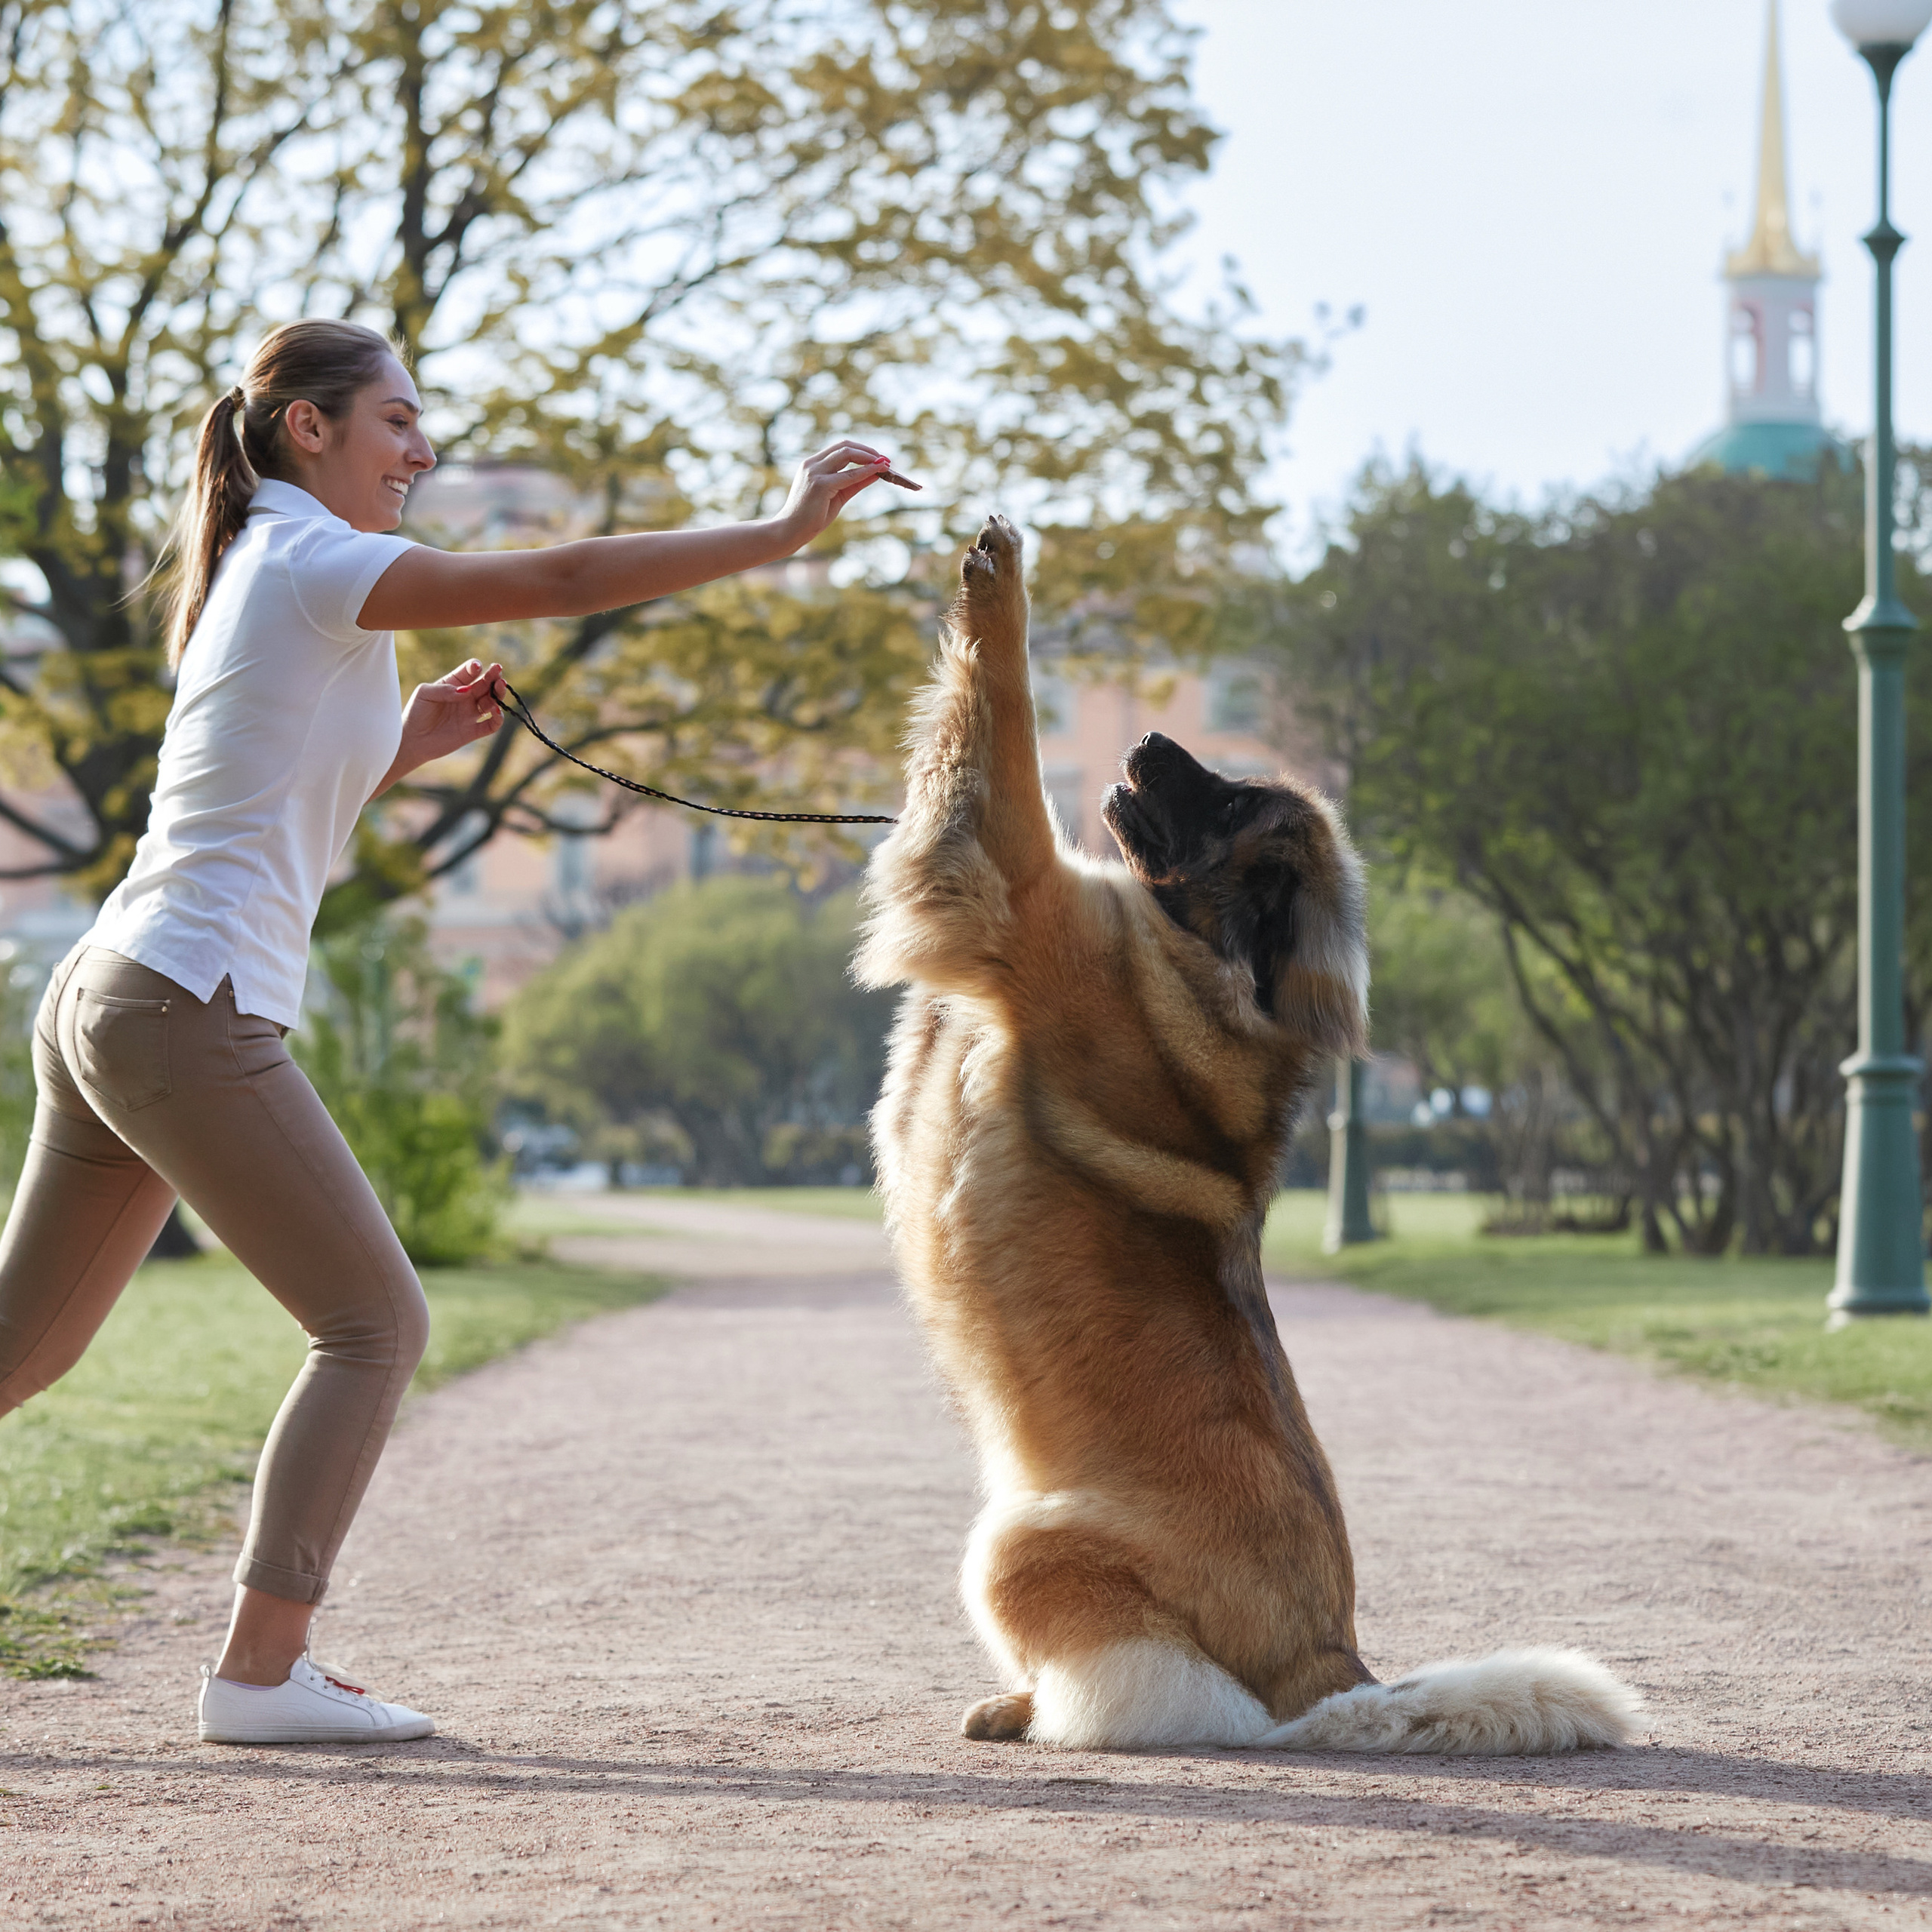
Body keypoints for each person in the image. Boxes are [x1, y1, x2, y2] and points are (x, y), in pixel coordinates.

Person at [0, 318, 906, 1745]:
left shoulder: (275, 571)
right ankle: (260, 1676)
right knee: (373, 1323)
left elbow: (265, 787)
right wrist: (775, 531)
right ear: (310, 428)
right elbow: (553, 577)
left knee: (19, 1350)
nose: (421, 451)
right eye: (399, 422)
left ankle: (264, 1673)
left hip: (117, 992)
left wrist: (404, 740)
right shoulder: (311, 560)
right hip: (184, 1005)